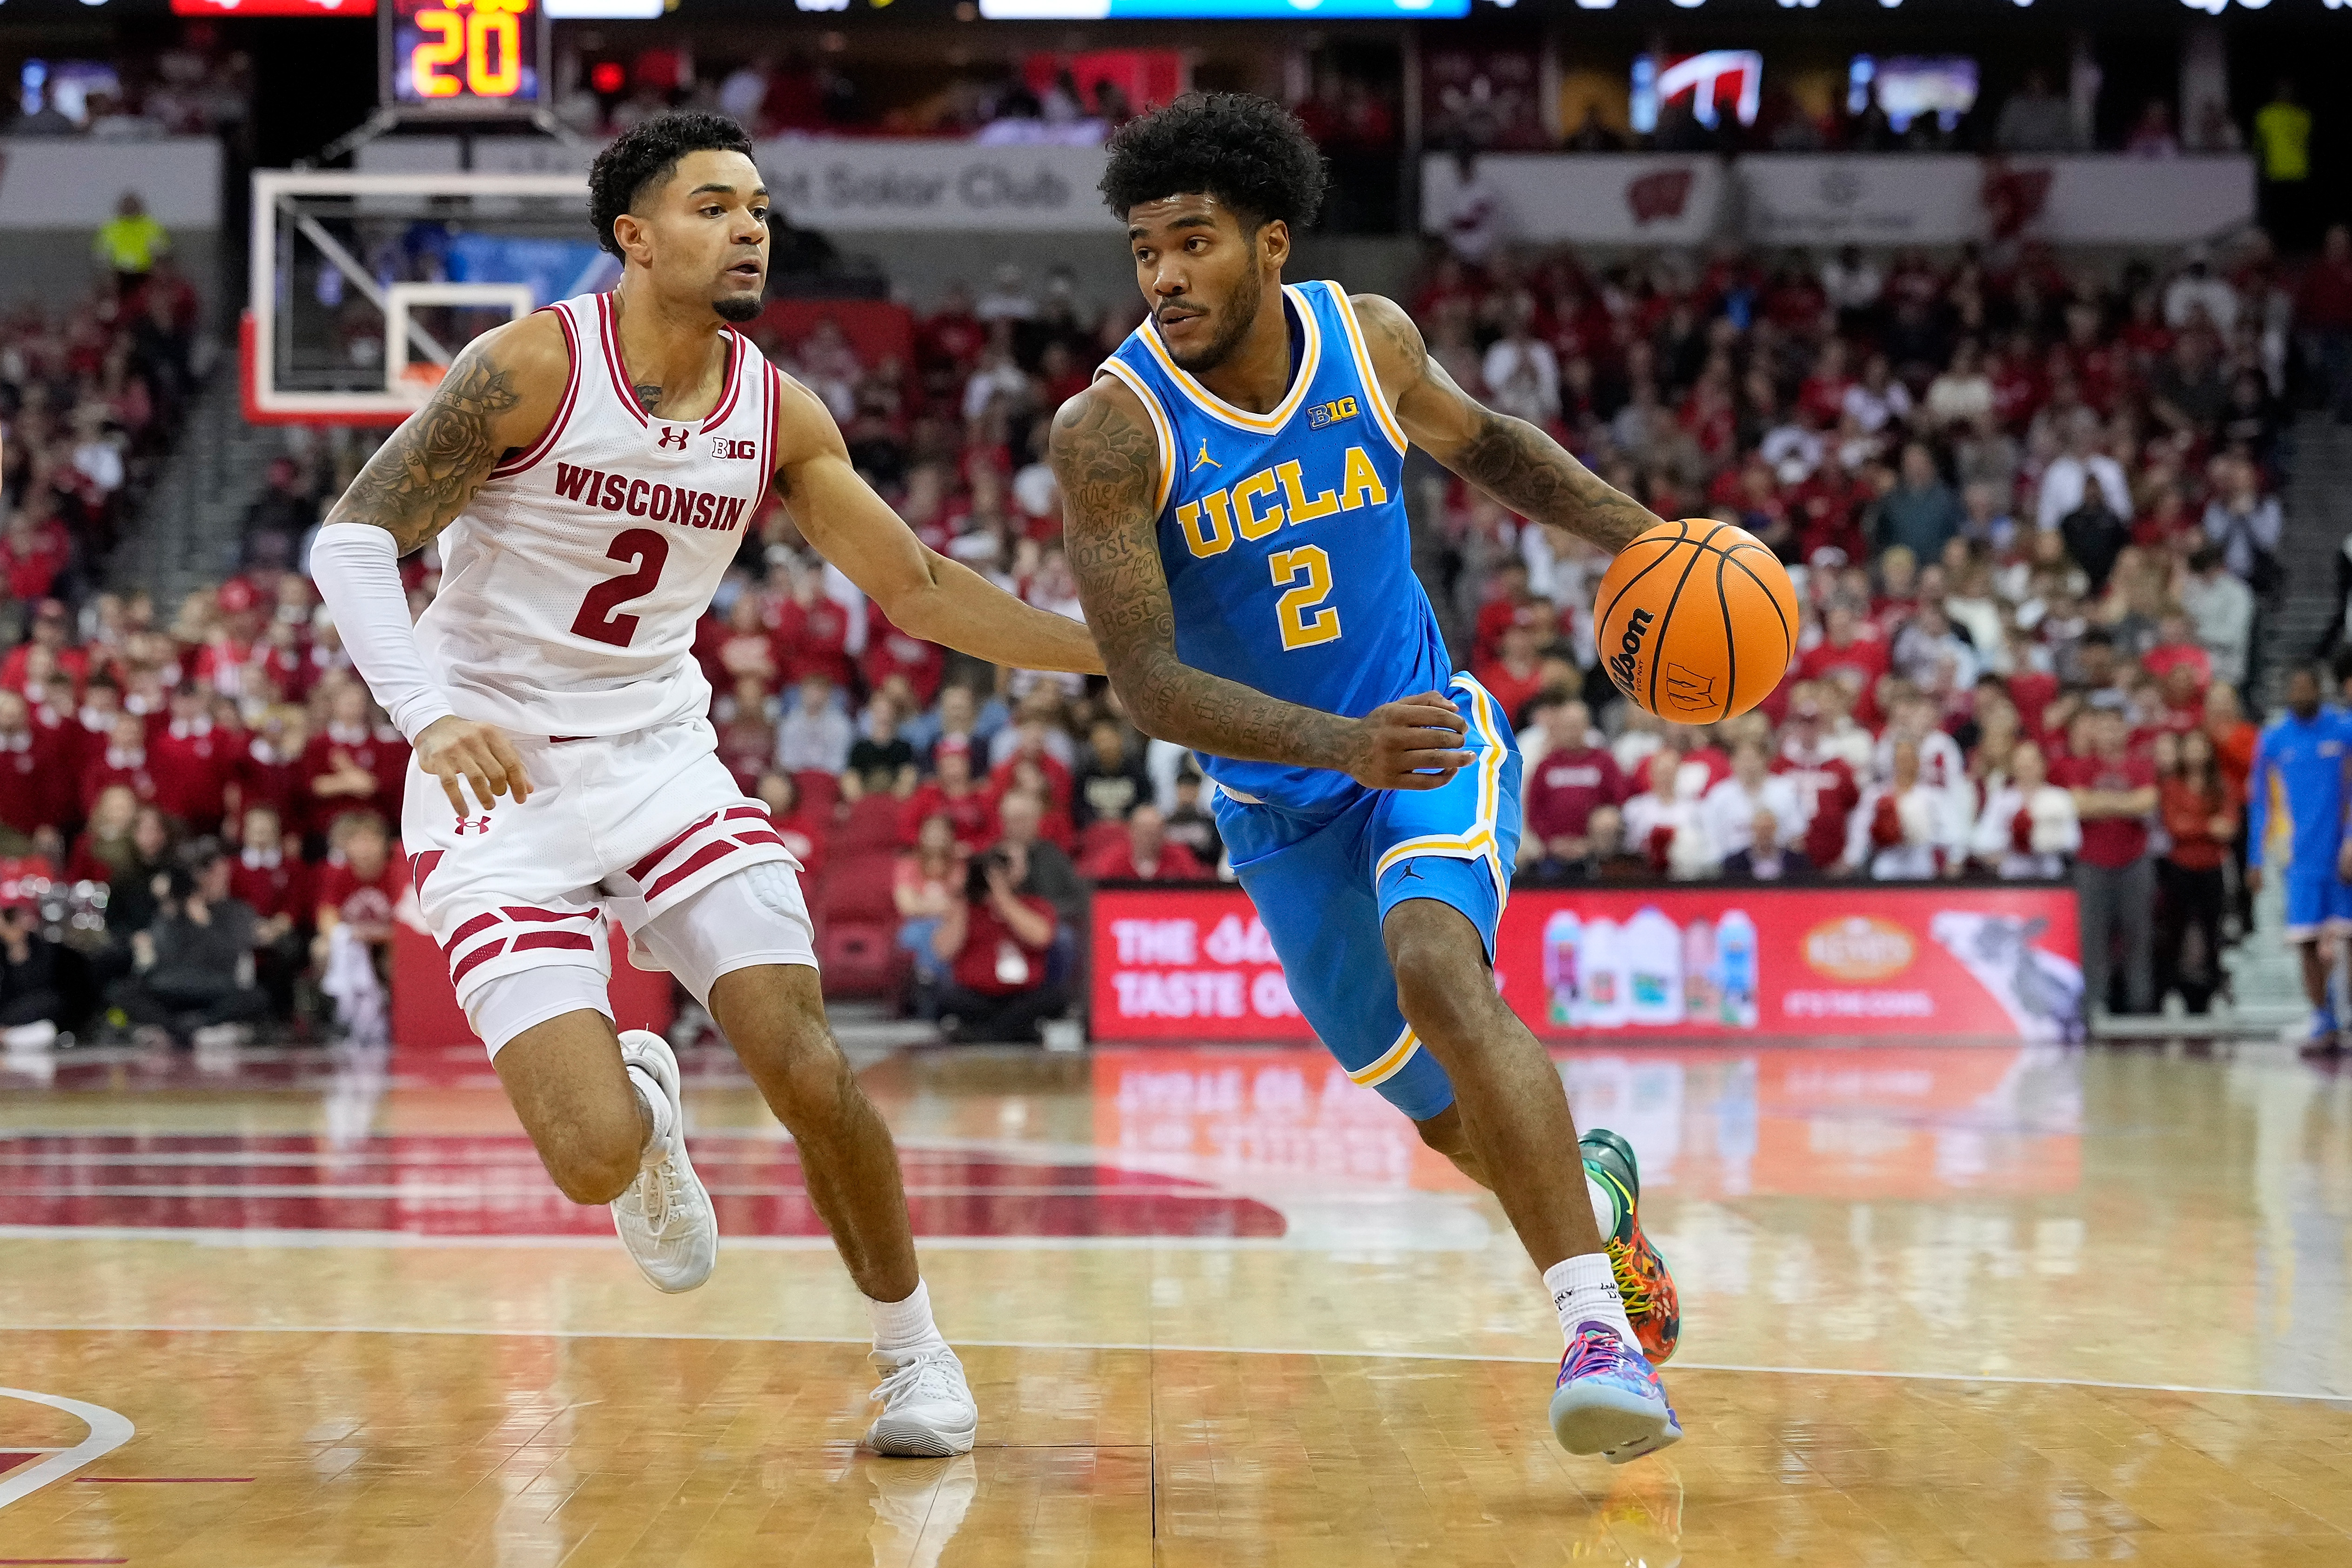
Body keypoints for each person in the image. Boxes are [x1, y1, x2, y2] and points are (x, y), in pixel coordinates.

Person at [306, 112, 1102, 1457]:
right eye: (714, 206)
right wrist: (429, 712)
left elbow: (912, 589)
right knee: (589, 1156)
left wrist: (1117, 659)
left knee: (802, 1057)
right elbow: (351, 541)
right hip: (492, 776)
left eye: (760, 210)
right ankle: (646, 1117)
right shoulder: (527, 368)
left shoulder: (777, 406)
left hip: (658, 753)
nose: (749, 229)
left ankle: (914, 1355)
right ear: (633, 234)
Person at [1052, 92, 1680, 1462]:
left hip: (1425, 736)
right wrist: (1337, 747)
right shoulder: (1105, 431)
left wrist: (1647, 538)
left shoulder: (1364, 336)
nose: (1162, 276)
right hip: (1282, 804)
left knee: (1439, 970)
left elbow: (1488, 444)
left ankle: (1595, 1334)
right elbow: (1147, 681)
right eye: (1145, 250)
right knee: (1442, 1113)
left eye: (1194, 244)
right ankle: (1593, 1192)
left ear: (1270, 243)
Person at [2251, 664, 2352, 1052]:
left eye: (2308, 687)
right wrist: (2255, 858)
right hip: (2299, 859)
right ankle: (2322, 1018)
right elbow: (2260, 802)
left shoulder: (2343, 731)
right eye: (2294, 688)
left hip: (2341, 856)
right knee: (2306, 941)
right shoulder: (2275, 740)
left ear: (2320, 691)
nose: (2301, 694)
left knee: (2347, 935)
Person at [112, 842, 271, 1049]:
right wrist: (169, 909)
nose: (208, 880)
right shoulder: (172, 910)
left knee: (255, 997)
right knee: (121, 991)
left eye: (215, 874)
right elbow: (161, 954)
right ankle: (179, 1029)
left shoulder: (238, 912)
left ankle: (194, 1028)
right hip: (169, 985)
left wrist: (204, 922)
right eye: (203, 874)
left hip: (215, 987)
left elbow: (229, 956)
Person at [2054, 706, 2158, 1019]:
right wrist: (2124, 804)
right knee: (2091, 937)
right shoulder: (2079, 766)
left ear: (2126, 732)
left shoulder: (2141, 765)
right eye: (2103, 728)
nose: (2110, 734)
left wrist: (2101, 804)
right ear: (2094, 733)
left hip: (2134, 860)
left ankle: (2138, 1004)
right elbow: (2077, 805)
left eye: (2116, 727)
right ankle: (2090, 1004)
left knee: (2137, 935)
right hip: (2090, 861)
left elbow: (2147, 802)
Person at [930, 849, 1063, 1043]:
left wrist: (1004, 899)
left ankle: (983, 1036)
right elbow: (943, 951)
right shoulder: (964, 910)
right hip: (976, 996)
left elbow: (1041, 938)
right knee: (943, 997)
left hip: (1022, 996)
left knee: (1054, 998)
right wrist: (962, 899)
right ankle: (1012, 1034)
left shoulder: (1035, 905)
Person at [2158, 728, 2238, 1015]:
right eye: (2189, 746)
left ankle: (2212, 993)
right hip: (2180, 868)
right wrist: (2207, 826)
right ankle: (2166, 992)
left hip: (2213, 868)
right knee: (2174, 934)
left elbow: (2229, 827)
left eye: (2200, 745)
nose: (2195, 752)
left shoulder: (2222, 785)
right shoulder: (2171, 785)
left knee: (2213, 933)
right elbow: (2174, 827)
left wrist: (2193, 824)